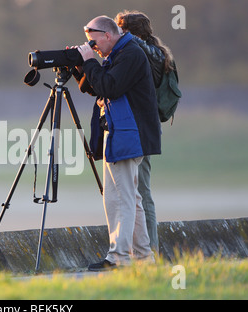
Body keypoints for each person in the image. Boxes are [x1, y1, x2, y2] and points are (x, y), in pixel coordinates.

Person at [74, 16, 161, 270]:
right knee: (130, 197)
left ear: (108, 35)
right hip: (123, 133)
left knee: (118, 197)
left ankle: (119, 258)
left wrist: (90, 61)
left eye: (93, 40)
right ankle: (144, 257)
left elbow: (110, 87)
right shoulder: (121, 52)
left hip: (128, 134)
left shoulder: (130, 54)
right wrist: (83, 66)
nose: (92, 46)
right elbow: (96, 86)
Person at [114, 10, 175, 253]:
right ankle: (142, 248)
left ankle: (149, 249)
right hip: (141, 126)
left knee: (141, 191)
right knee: (138, 190)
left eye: (120, 30)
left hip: (139, 128)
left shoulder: (144, 53)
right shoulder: (154, 52)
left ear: (130, 32)